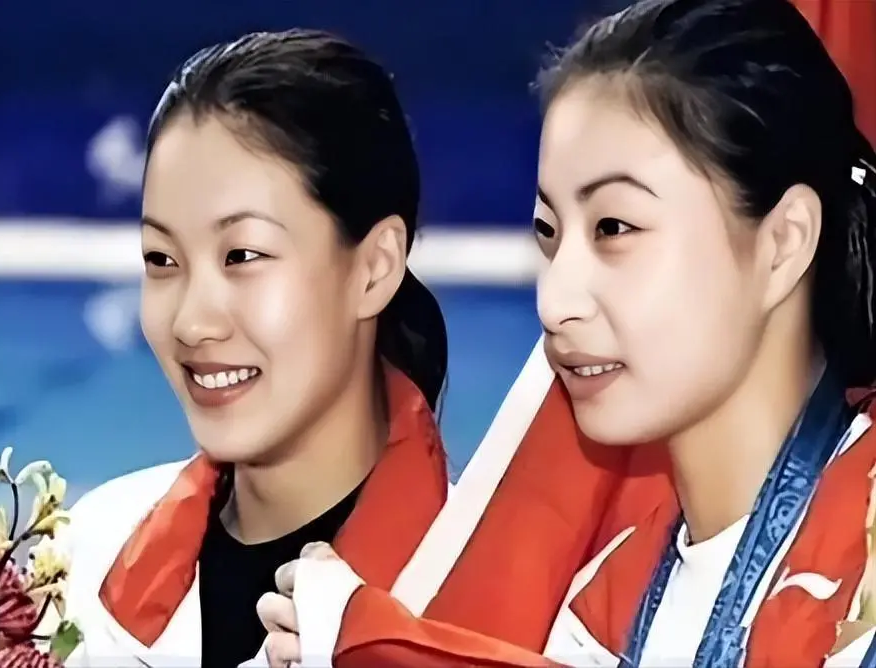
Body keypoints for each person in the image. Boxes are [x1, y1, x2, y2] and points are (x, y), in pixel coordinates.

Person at [253, 1, 876, 666]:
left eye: (614, 228)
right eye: (548, 235)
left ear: (783, 243)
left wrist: (382, 646)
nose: (555, 303)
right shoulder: (601, 607)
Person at [56, 28, 466, 668]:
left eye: (242, 255)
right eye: (161, 259)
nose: (192, 322)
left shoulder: (483, 613)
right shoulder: (87, 554)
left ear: (374, 268)